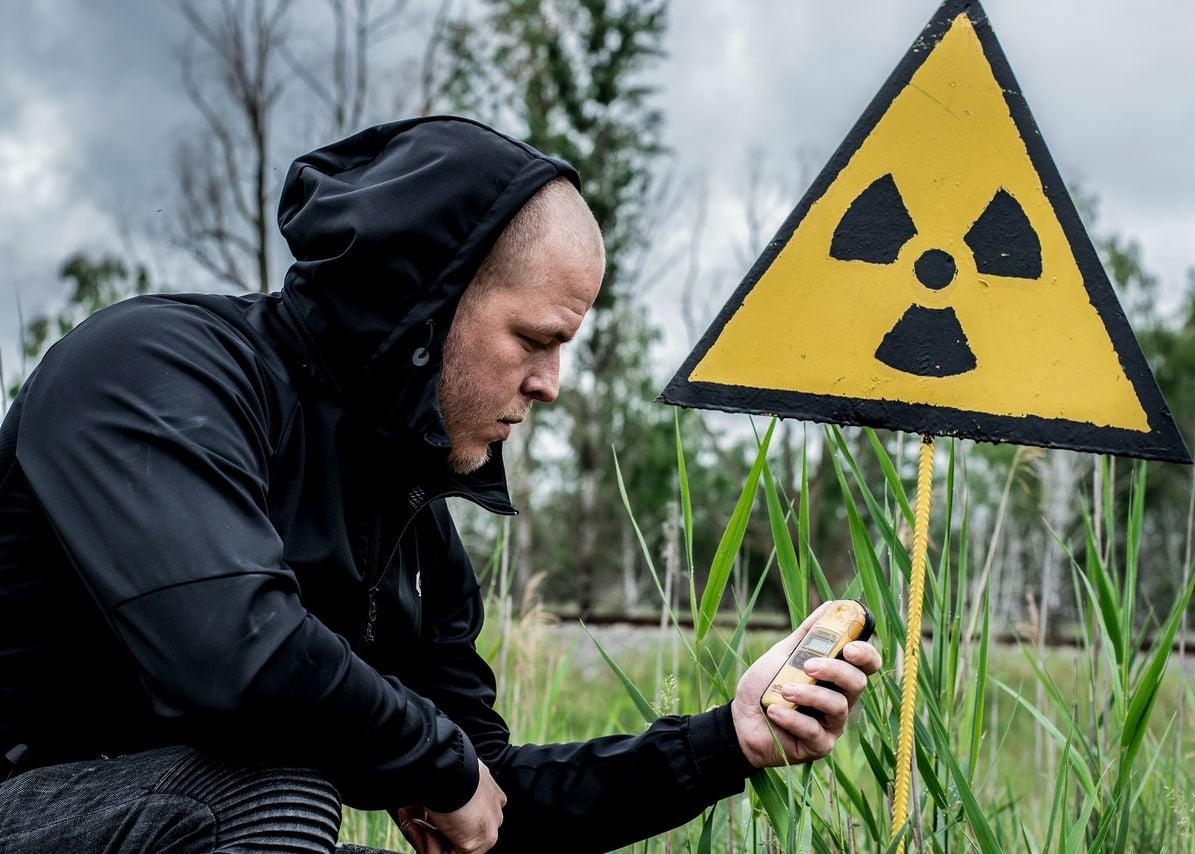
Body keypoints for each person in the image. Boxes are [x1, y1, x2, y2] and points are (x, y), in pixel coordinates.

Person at [0, 116, 882, 853]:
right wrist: (434, 761)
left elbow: (491, 804)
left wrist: (727, 741)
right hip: (33, 804)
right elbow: (233, 651)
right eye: (535, 339)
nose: (552, 384)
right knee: (276, 787)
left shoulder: (410, 527)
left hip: (180, 826)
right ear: (425, 302)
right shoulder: (148, 372)